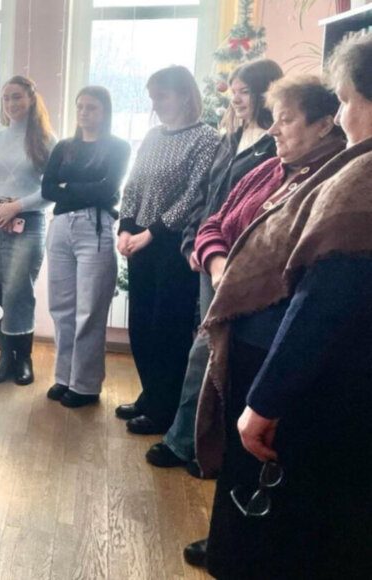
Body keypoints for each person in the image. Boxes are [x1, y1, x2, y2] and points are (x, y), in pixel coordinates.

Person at [187, 63, 367, 577]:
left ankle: (239, 549)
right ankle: (227, 541)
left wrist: (267, 397)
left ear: (324, 124)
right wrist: (219, 264)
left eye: (286, 120)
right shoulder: (271, 170)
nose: (274, 130)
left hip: (276, 345)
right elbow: (215, 222)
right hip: (247, 331)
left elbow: (320, 294)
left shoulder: (346, 176)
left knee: (265, 461)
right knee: (238, 455)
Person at [146, 60, 283, 470]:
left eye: (244, 92)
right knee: (207, 349)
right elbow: (207, 199)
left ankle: (189, 442)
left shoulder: (274, 146)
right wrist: (193, 242)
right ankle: (197, 443)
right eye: (233, 92)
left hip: (239, 261)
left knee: (210, 349)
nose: (235, 100)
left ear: (265, 93)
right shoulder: (231, 139)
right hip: (209, 254)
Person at [115, 66, 220, 435]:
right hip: (141, 242)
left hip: (173, 247)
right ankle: (151, 395)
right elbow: (133, 185)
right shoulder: (152, 136)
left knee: (167, 330)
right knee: (141, 326)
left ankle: (165, 409)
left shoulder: (206, 138)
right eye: (152, 97)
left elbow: (195, 195)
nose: (155, 104)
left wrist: (152, 233)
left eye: (162, 96)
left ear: (184, 95)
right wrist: (125, 228)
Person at [41, 86, 130, 407]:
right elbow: (47, 189)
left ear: (104, 111)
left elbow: (108, 190)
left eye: (91, 107)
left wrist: (68, 187)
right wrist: (83, 189)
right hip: (61, 228)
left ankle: (86, 385)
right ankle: (64, 377)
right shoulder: (64, 147)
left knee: (90, 310)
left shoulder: (118, 147)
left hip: (95, 227)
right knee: (61, 308)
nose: (83, 112)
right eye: (80, 106)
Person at [0, 75, 56, 386]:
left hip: (28, 222)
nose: (11, 103)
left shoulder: (46, 140)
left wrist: (16, 207)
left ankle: (24, 359)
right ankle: (5, 356)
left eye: (17, 97)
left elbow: (51, 190)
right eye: (6, 98)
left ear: (31, 99)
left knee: (19, 290)